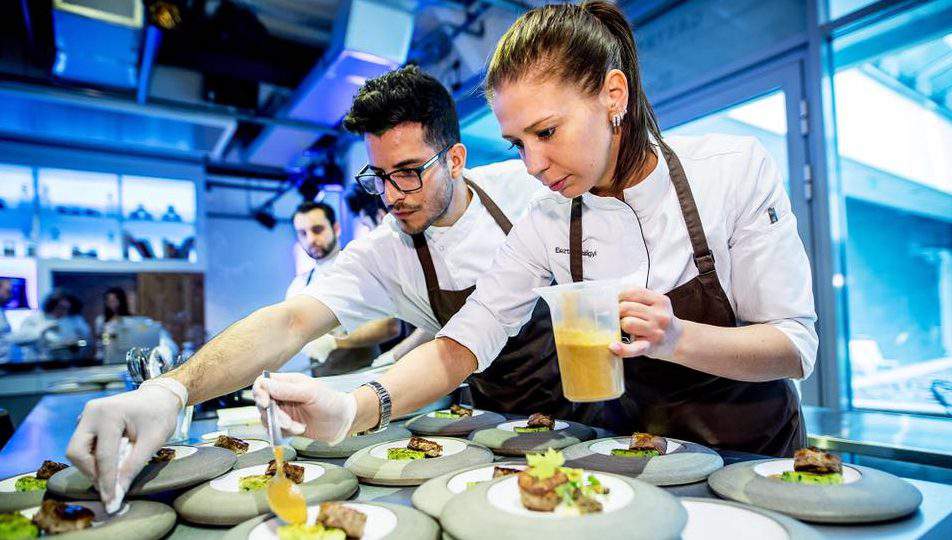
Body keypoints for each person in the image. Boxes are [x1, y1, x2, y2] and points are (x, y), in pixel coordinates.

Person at [251, 1, 817, 457]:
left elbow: (793, 346)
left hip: (756, 458)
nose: (533, 165)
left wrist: (677, 339)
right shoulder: (547, 219)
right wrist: (351, 409)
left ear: (613, 95)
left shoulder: (732, 170)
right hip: (638, 455)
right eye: (518, 144)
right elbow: (465, 340)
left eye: (546, 132)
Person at [66, 65, 573, 511]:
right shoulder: (384, 251)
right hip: (490, 423)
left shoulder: (528, 187)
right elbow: (288, 322)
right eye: (379, 177)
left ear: (456, 159)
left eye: (408, 173)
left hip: (587, 409)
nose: (392, 195)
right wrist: (171, 389)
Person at [285, 200, 401, 376]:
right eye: (302, 233)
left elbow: (390, 326)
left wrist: (335, 342)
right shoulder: (298, 286)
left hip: (366, 377)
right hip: (322, 381)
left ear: (336, 228)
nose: (311, 239)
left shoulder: (361, 269)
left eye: (317, 229)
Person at [19, 291, 92, 361]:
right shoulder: (34, 319)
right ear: (51, 305)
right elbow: (20, 340)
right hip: (38, 362)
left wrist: (76, 343)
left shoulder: (75, 320)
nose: (63, 311)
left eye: (67, 309)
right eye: (61, 307)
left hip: (66, 362)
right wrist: (43, 329)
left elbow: (86, 341)